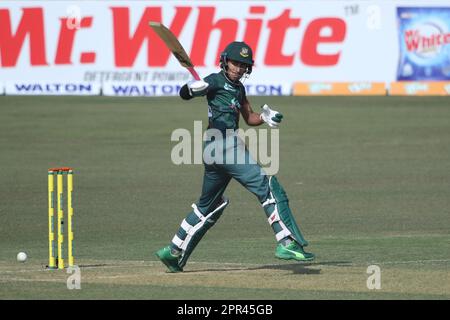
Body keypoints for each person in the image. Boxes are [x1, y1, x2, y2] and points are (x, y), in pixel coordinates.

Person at [155, 41, 314, 272]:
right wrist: (191, 89)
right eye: (235, 63)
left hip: (213, 151)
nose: (239, 68)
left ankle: (173, 251)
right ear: (224, 61)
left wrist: (265, 117)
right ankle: (286, 242)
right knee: (267, 186)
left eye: (244, 65)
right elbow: (184, 94)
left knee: (208, 205)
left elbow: (249, 117)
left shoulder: (239, 88)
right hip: (223, 146)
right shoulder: (214, 80)